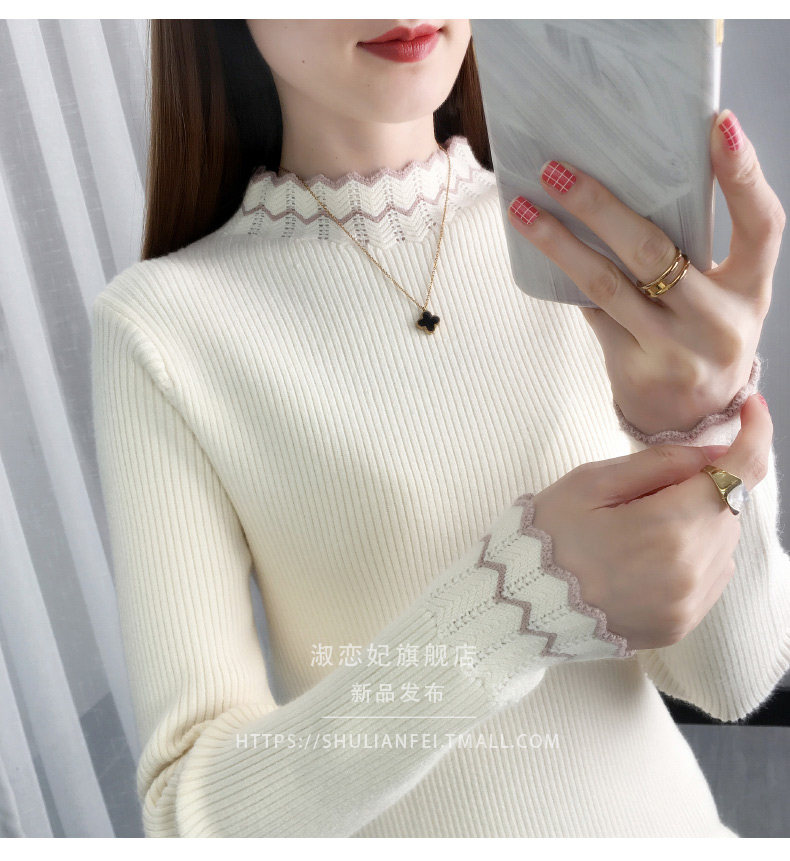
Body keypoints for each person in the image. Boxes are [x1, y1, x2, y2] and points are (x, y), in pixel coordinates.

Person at [91, 19, 790, 838]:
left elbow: (734, 681)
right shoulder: (161, 328)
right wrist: (522, 600)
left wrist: (702, 424)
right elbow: (189, 814)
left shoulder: (592, 239)